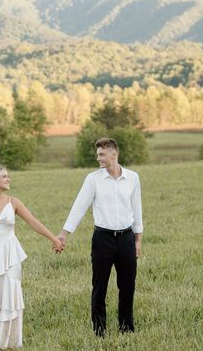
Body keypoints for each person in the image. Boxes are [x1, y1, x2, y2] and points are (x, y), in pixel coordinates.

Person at [57, 138, 143, 336]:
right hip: (102, 239)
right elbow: (79, 208)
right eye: (98, 155)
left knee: (128, 286)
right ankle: (99, 330)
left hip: (127, 239)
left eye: (102, 154)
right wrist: (63, 234)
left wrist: (138, 240)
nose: (98, 158)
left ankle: (127, 328)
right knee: (99, 286)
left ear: (114, 154)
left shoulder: (132, 178)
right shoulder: (93, 179)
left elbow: (137, 209)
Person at [0, 165, 64, 350]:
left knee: (9, 293)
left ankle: (9, 341)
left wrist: (54, 239)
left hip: (10, 256)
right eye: (4, 176)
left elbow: (33, 222)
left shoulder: (14, 202)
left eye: (8, 176)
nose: (9, 179)